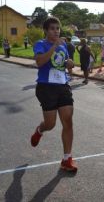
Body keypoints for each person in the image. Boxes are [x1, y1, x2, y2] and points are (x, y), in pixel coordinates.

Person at [30, 17, 77, 172]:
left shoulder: (63, 47)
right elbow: (40, 62)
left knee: (68, 120)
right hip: (46, 87)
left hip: (62, 85)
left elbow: (63, 64)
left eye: (58, 28)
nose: (56, 31)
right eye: (52, 28)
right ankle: (40, 130)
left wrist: (70, 64)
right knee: (50, 124)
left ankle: (66, 158)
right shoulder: (40, 44)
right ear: (46, 30)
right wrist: (54, 46)